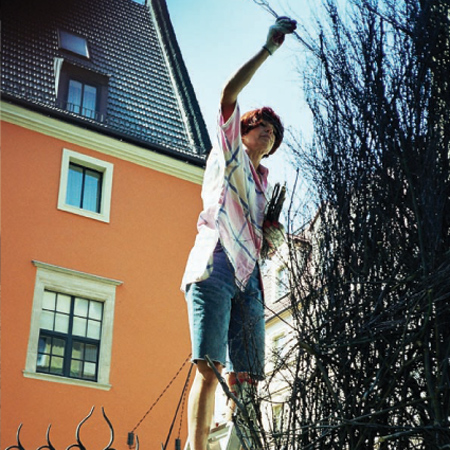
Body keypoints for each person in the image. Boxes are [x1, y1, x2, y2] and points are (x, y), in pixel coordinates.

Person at [181, 17, 297, 450]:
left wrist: (271, 237)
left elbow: (262, 245)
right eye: (261, 125)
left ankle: (238, 442)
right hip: (215, 263)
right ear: (244, 130)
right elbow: (228, 95)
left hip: (250, 279)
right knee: (208, 367)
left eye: (274, 132)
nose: (268, 132)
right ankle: (196, 447)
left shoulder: (264, 185)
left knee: (248, 373)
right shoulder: (228, 150)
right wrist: (268, 48)